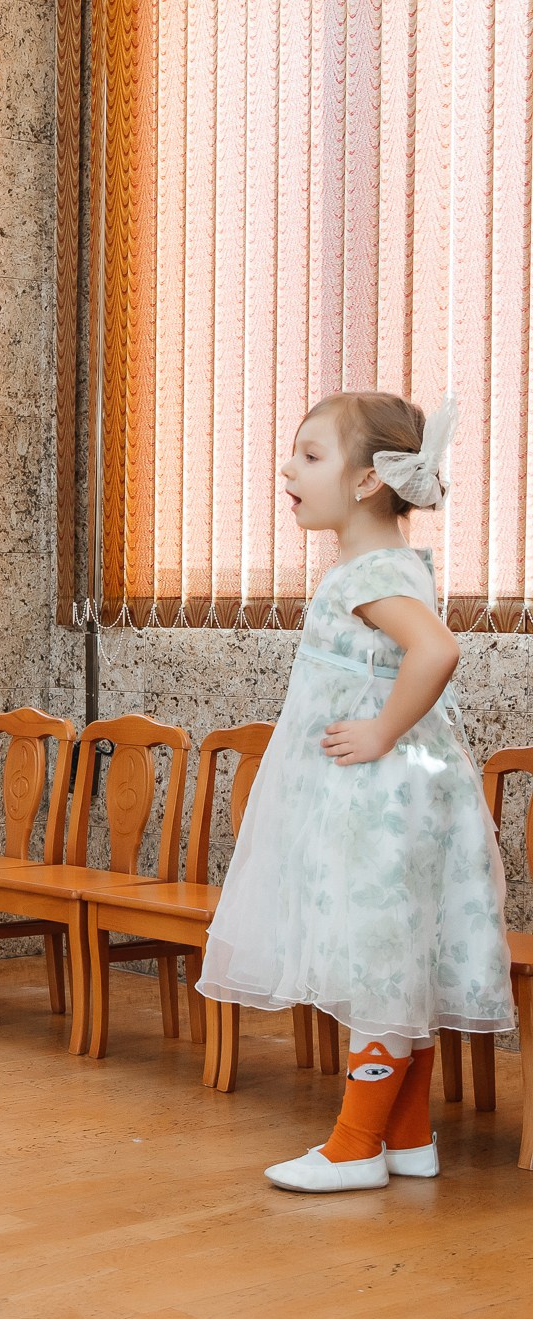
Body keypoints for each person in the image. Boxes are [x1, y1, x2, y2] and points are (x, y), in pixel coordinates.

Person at [197, 392, 517, 1193]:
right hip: (403, 799)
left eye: (309, 455)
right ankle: (406, 1136)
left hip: (380, 803)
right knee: (395, 960)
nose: (287, 468)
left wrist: (378, 731)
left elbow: (434, 651)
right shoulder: (383, 566)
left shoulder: (368, 575)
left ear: (370, 479)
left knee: (374, 959)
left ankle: (354, 1145)